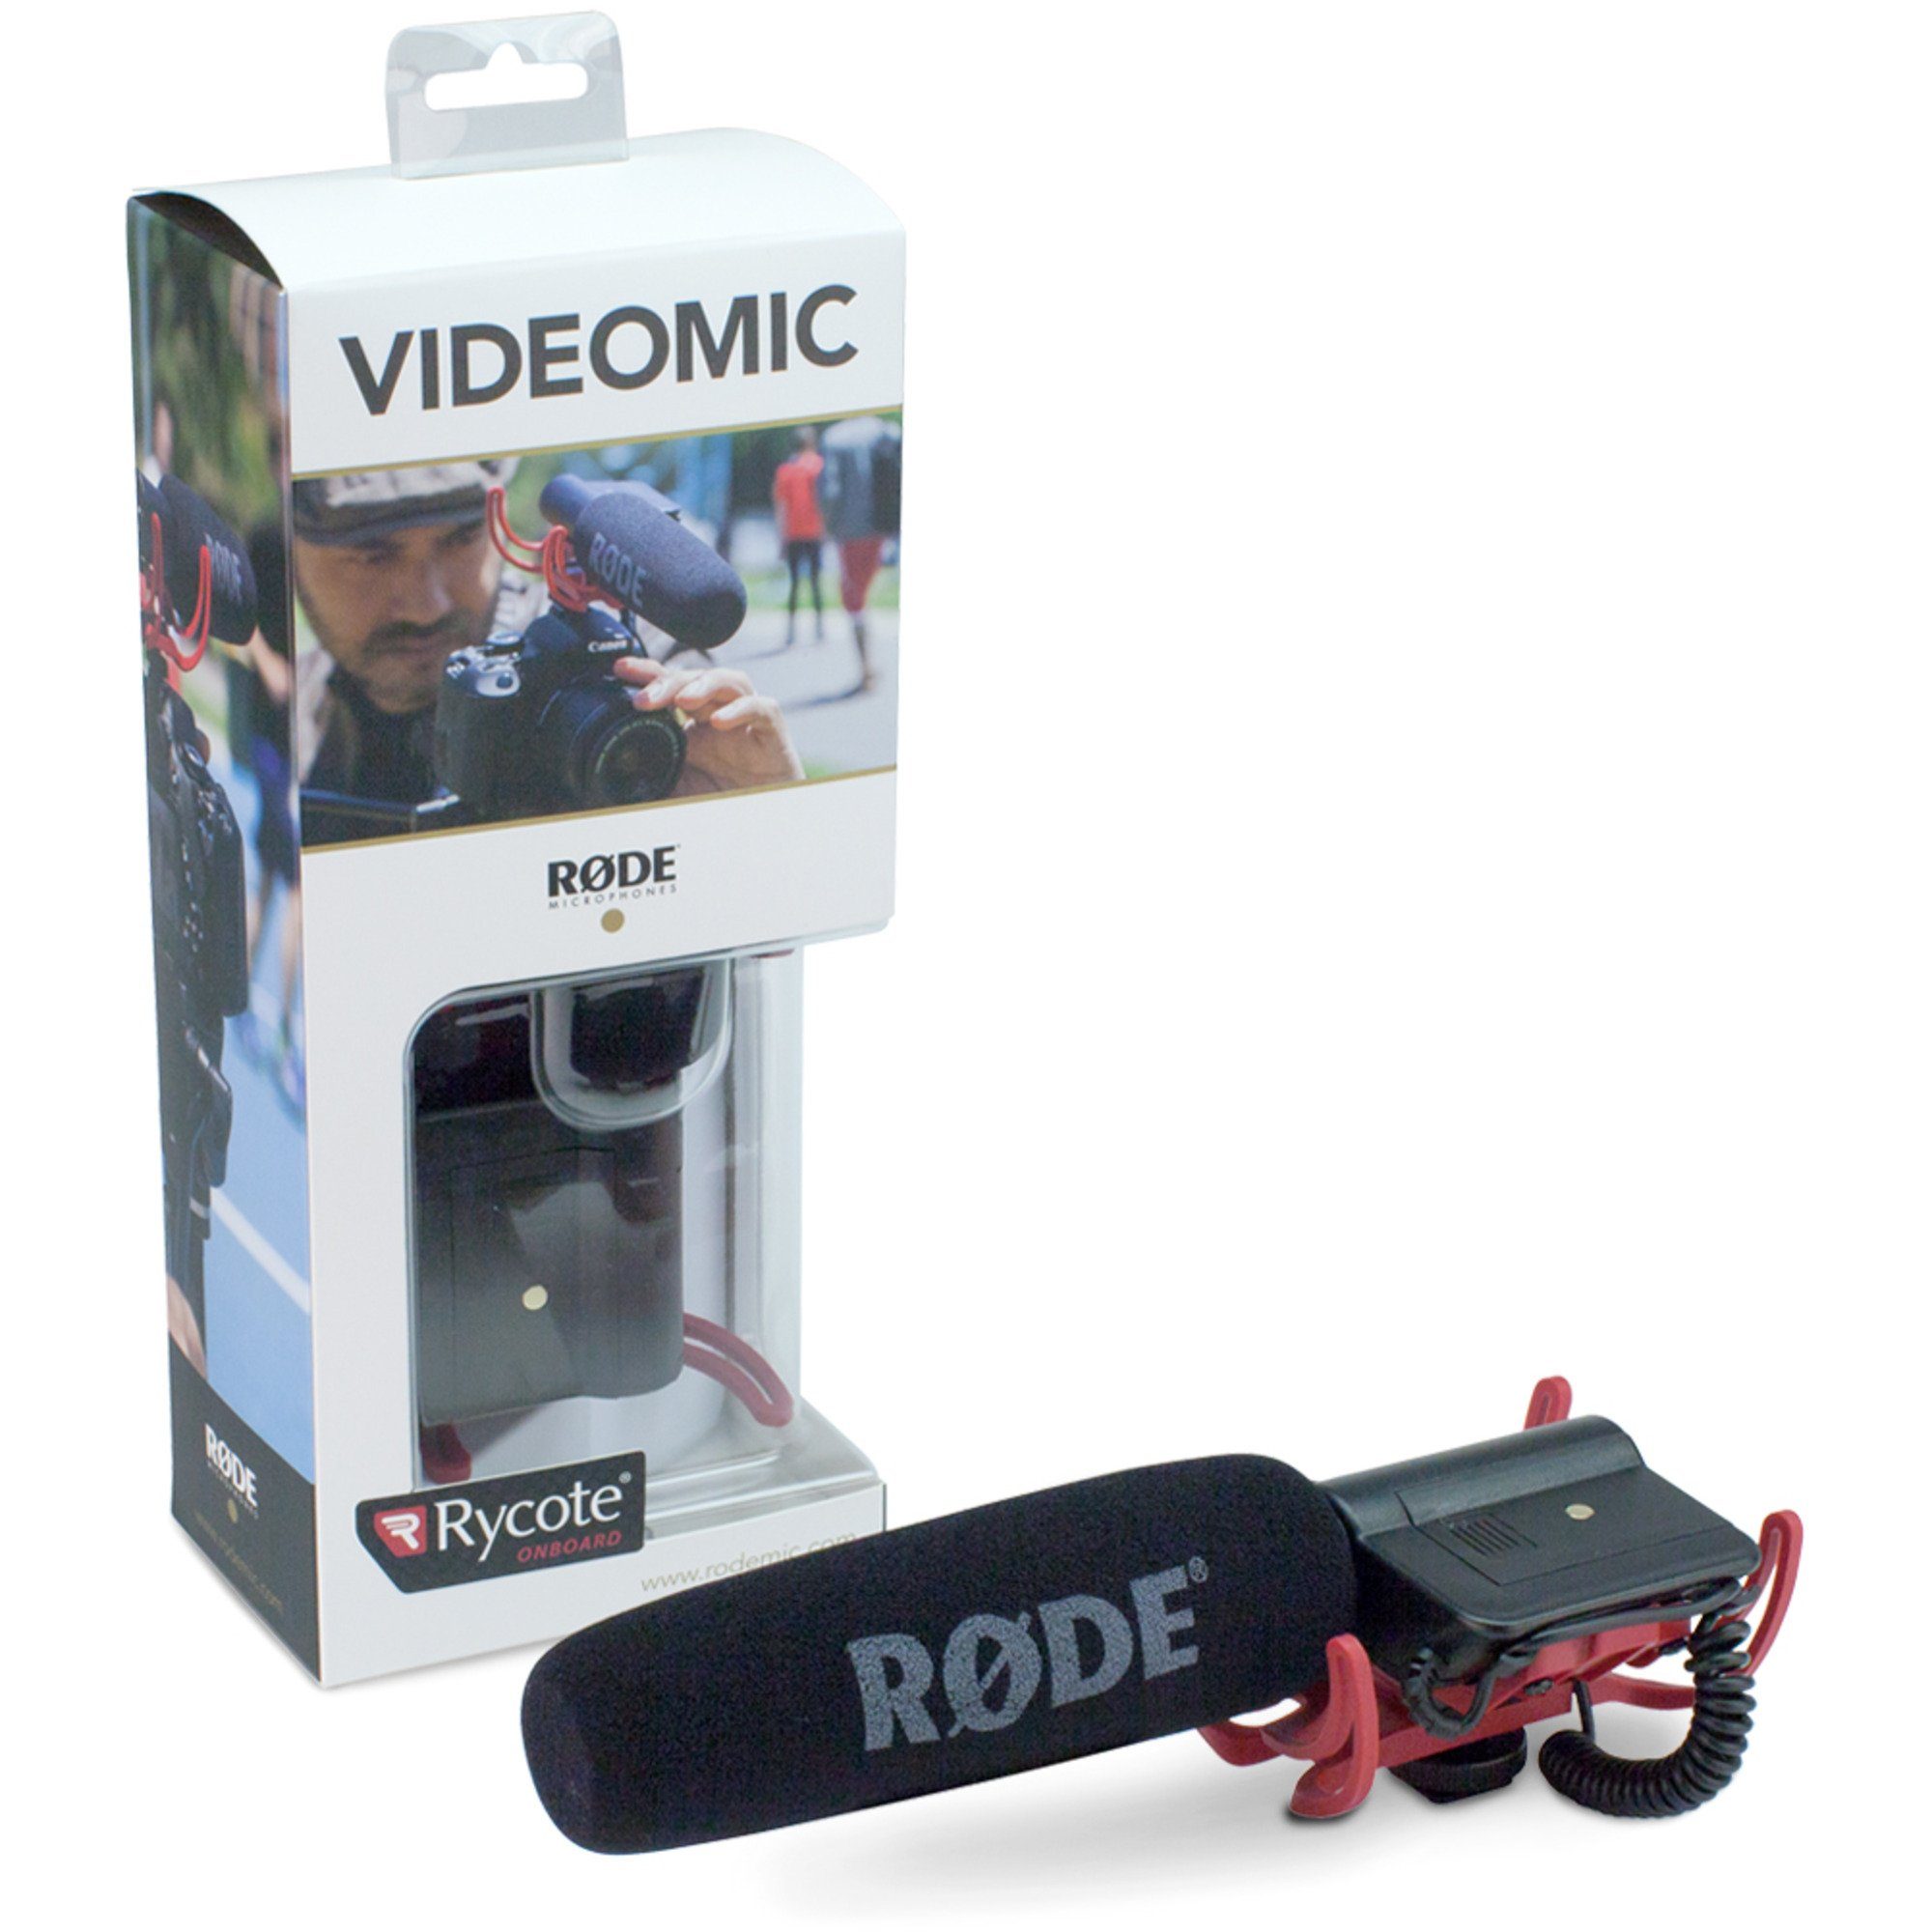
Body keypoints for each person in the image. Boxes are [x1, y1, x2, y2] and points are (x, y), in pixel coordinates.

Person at [290, 461, 803, 834]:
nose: (428, 605)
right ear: (292, 552)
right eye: (373, 555)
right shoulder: (279, 714)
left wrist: (761, 828)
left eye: (460, 540)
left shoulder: (637, 671)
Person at [819, 414, 902, 694]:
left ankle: (866, 669)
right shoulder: (886, 429)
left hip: (851, 531)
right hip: (884, 525)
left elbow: (830, 490)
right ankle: (869, 667)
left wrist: (829, 526)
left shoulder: (835, 437)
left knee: (854, 601)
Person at [771, 426, 826, 647]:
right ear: (812, 442)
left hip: (793, 533)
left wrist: (781, 537)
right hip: (815, 531)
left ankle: (791, 631)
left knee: (794, 584)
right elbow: (825, 500)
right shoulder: (819, 466)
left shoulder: (785, 470)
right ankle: (819, 629)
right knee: (816, 581)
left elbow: (781, 507)